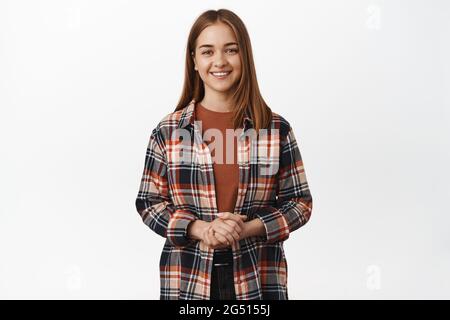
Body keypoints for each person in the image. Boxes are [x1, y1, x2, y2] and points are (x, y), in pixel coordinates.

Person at [135, 8, 313, 300]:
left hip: (257, 280)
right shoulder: (168, 131)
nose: (219, 61)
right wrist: (199, 229)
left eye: (231, 50)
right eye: (207, 51)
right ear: (193, 60)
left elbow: (300, 203)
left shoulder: (275, 129)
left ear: (245, 56)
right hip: (188, 280)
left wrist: (249, 228)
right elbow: (149, 203)